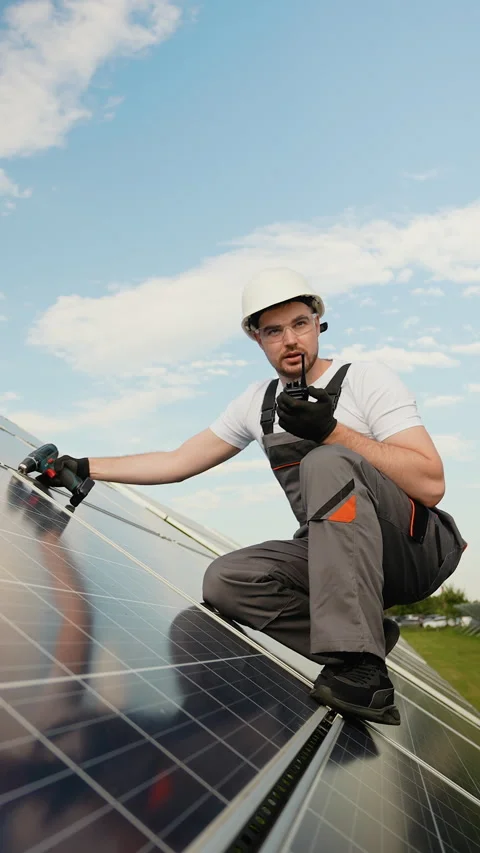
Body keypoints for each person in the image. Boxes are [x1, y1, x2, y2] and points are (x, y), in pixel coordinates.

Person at [48, 268, 467, 726]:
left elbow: (431, 483)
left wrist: (333, 432)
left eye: (300, 324)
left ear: (318, 323)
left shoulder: (366, 380)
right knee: (227, 580)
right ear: (256, 338)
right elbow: (178, 461)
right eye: (274, 331)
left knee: (327, 461)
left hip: (411, 551)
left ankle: (366, 678)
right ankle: (363, 645)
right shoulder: (257, 403)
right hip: (337, 559)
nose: (290, 340)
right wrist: (85, 466)